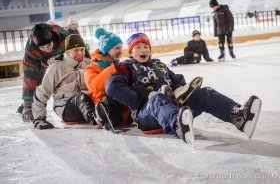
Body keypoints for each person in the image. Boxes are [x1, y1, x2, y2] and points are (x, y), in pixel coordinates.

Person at [105, 32, 262, 142]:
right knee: (157, 97)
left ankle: (238, 117)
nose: (143, 50)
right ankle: (179, 125)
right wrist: (140, 99)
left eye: (145, 46)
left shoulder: (160, 65)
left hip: (173, 107)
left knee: (204, 93)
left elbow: (178, 80)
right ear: (131, 52)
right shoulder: (127, 67)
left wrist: (180, 92)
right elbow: (112, 86)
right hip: (146, 114)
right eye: (138, 47)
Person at [32, 34, 97, 129]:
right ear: (68, 51)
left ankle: (108, 114)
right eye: (76, 50)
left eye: (82, 50)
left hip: (88, 105)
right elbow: (43, 92)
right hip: (66, 108)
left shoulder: (89, 64)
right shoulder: (57, 67)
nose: (80, 53)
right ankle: (97, 119)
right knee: (80, 98)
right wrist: (39, 119)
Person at [18, 23, 69, 122]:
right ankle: (29, 103)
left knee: (65, 76)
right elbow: (30, 77)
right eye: (42, 47)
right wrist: (27, 105)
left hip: (62, 58)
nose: (47, 49)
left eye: (49, 45)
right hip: (41, 61)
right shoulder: (31, 49)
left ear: (53, 39)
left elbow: (77, 53)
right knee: (39, 80)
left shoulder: (64, 36)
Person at [84, 28, 131, 129]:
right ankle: (102, 116)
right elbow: (94, 86)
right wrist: (113, 69)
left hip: (121, 106)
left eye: (121, 48)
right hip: (105, 105)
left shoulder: (118, 66)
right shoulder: (91, 68)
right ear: (106, 49)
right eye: (117, 48)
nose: (120, 51)